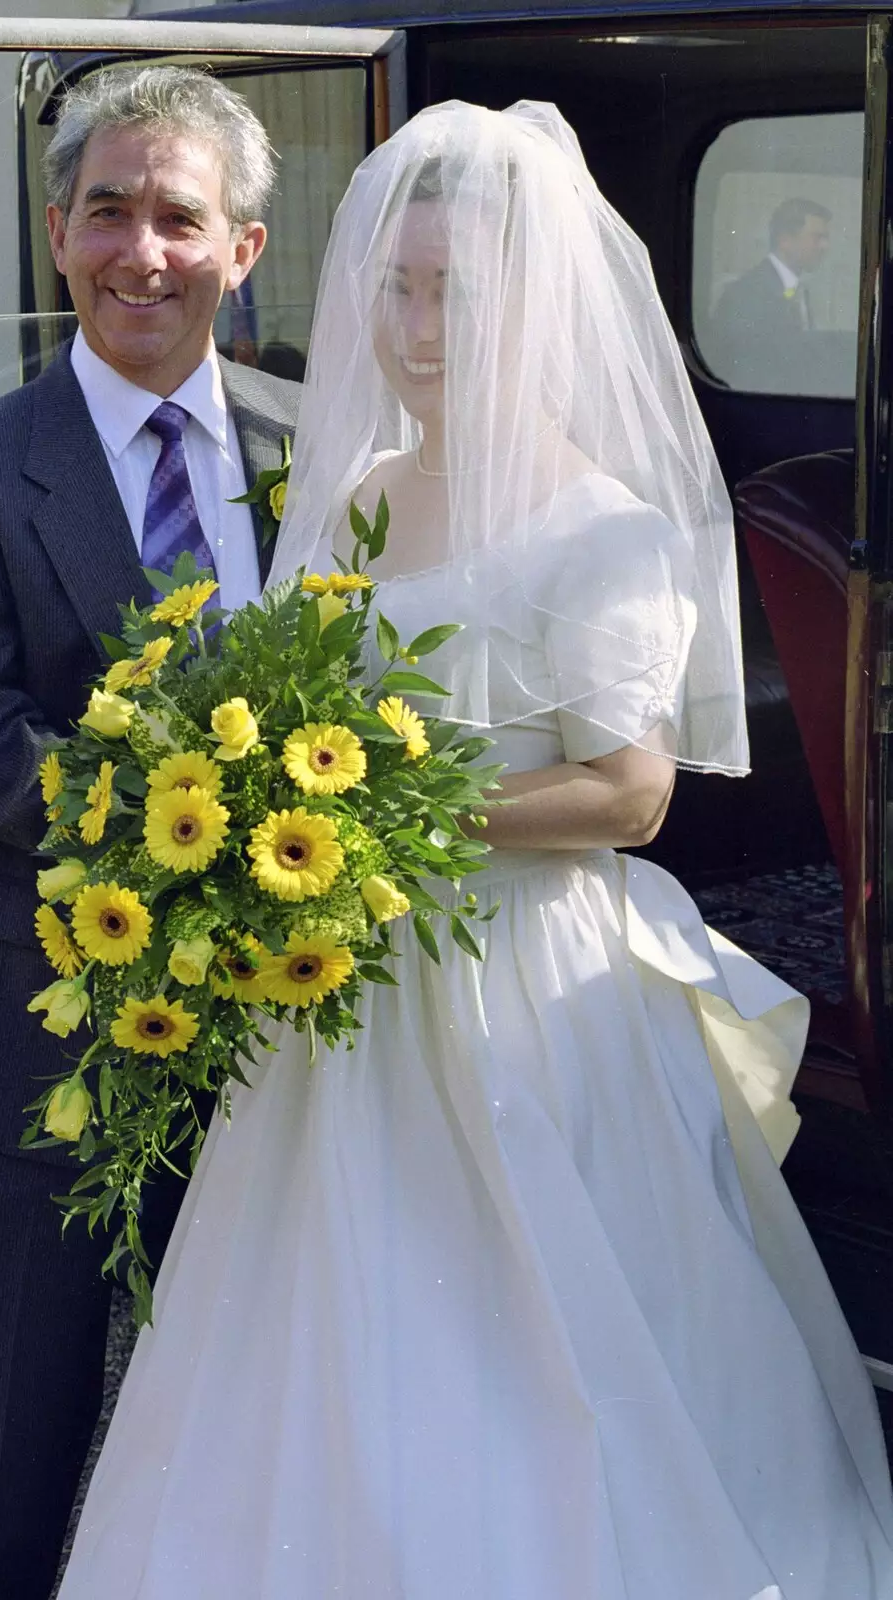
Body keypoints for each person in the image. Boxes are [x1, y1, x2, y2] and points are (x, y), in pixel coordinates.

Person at [56, 103, 893, 1598]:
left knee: (548, 1323)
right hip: (345, 980)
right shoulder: (355, 495)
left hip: (519, 973)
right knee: (317, 1313)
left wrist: (382, 821)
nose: (420, 323)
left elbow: (631, 795)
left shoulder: (607, 527)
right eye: (398, 286)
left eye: (458, 291)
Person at [0, 64, 301, 1600]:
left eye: (178, 218)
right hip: (46, 1024)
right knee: (12, 1427)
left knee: (253, 1404)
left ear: (241, 248)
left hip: (284, 1031)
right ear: (56, 233)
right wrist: (199, 821)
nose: (142, 253)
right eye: (106, 211)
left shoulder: (315, 450)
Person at [708, 196, 831, 392]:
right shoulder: (745, 295)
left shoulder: (800, 292)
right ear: (785, 240)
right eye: (817, 237)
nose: (825, 247)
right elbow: (748, 371)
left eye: (826, 238)